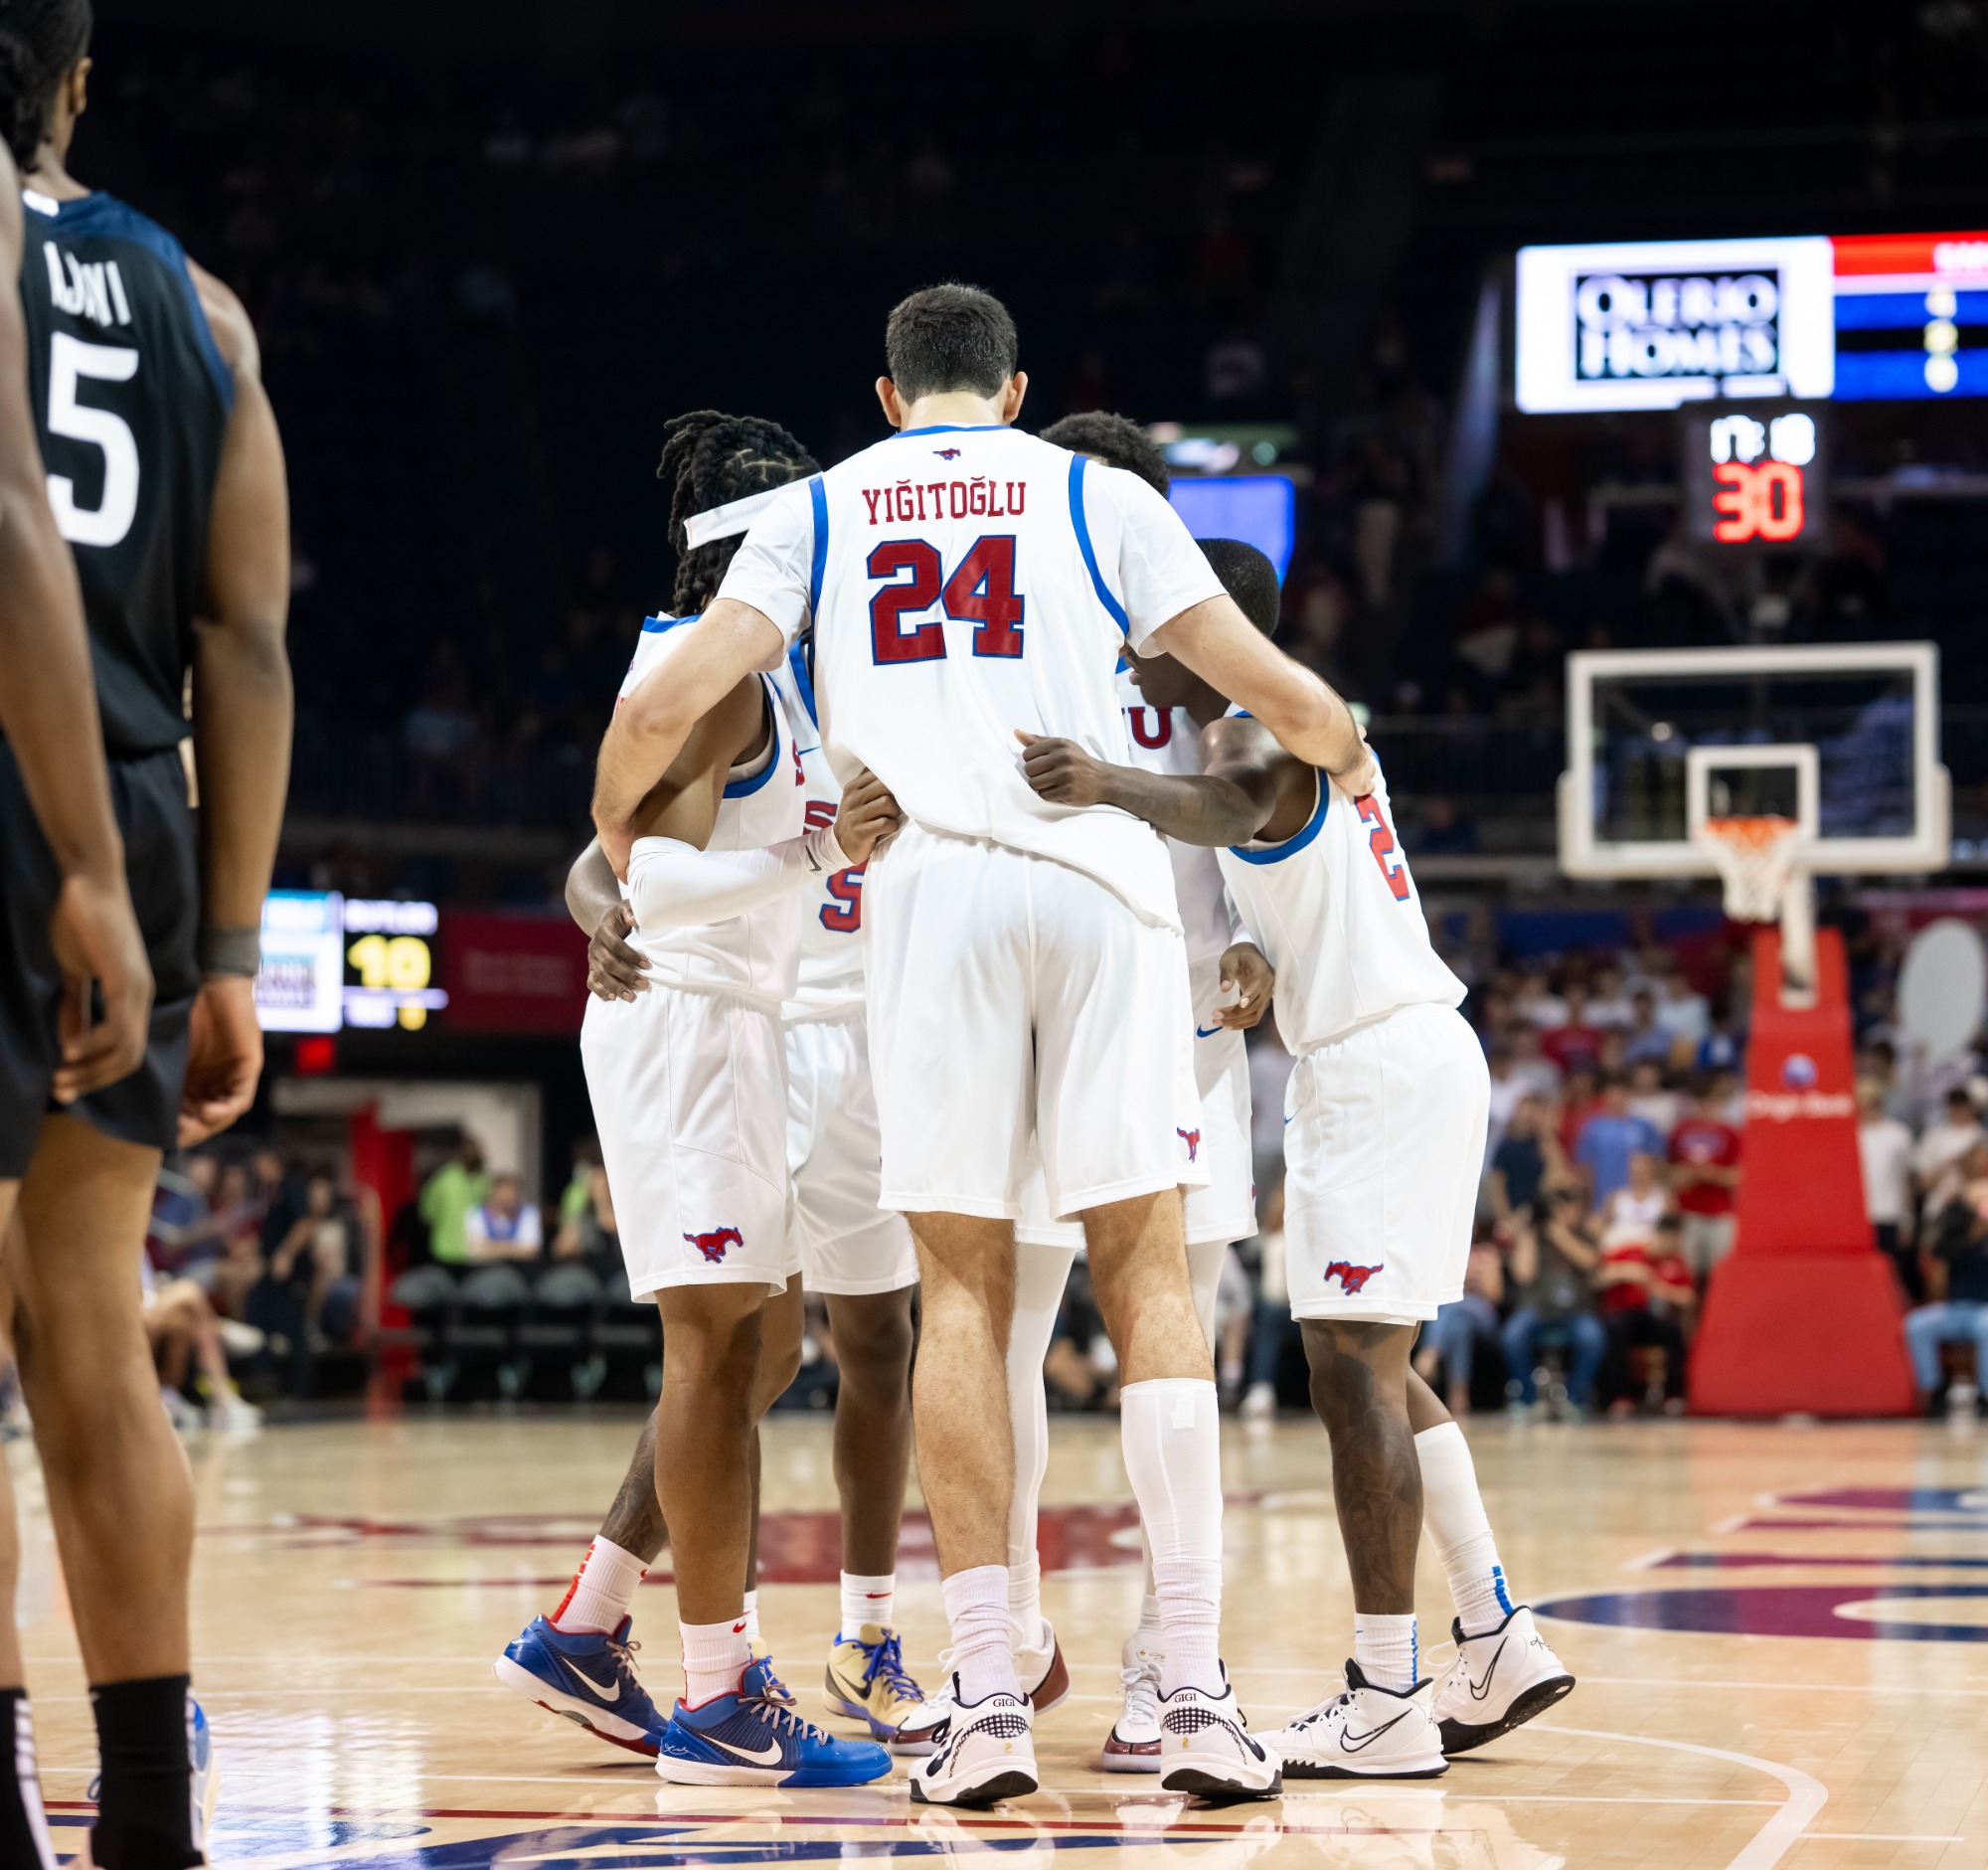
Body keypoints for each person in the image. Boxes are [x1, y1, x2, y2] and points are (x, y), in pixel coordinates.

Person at [592, 286, 1352, 1804]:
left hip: (931, 900)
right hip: (1097, 890)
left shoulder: (822, 503)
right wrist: (1329, 727)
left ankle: (986, 1698)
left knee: (959, 1286)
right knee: (1147, 1273)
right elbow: (1268, 684)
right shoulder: (1104, 493)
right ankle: (1193, 1688)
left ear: (887, 397)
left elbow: (671, 691)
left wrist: (611, 837)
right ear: (1014, 390)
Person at [1018, 550, 1574, 1776]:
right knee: (1371, 1362)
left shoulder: (1248, 732)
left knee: (1351, 1379)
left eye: (1139, 634)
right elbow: (1282, 874)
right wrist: (1257, 963)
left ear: (1190, 632)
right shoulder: (1289, 723)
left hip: (1375, 1071)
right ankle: (1488, 1628)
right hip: (1405, 1053)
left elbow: (1228, 807)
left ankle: (1385, 1693)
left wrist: (1103, 781)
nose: (1123, 655)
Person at [504, 411, 899, 1788]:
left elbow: (610, 859)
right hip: (686, 1027)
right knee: (710, 1359)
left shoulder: (746, 675)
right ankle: (721, 1692)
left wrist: (591, 889)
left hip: (739, 1025)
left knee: (767, 1349)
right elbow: (656, 882)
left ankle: (589, 1624)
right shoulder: (706, 671)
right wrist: (810, 857)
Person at [0, 11, 292, 1866]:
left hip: (34, 799)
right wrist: (239, 941)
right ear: (74, 80)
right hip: (148, 793)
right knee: (91, 1347)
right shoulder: (206, 306)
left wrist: (80, 859)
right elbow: (247, 644)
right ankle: (154, 1824)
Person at [996, 414, 1275, 1770]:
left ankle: (1168, 1664)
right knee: (1005, 1347)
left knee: (1180, 1340)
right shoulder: (999, 652)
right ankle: (1011, 1642)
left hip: (1192, 1048)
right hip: (1048, 1043)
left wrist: (1258, 935)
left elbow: (1270, 821)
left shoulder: (1205, 650)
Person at [1501, 1188, 1606, 1414]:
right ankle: (1529, 1399)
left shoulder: (1583, 1234)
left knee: (1592, 1337)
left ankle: (1576, 1399)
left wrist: (1559, 1234)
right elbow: (1522, 1274)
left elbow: (1590, 1261)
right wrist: (1529, 1232)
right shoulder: (1535, 1237)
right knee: (1512, 1336)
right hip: (1538, 1309)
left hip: (1575, 1311)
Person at [1905, 1140, 1988, 1415]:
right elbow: (1942, 1251)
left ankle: (1984, 1395)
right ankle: (1935, 1392)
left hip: (1985, 1309)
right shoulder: (1958, 1210)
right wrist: (1975, 1228)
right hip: (1958, 1306)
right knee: (1917, 1324)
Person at [1596, 1210, 1694, 1414]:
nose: (1671, 1246)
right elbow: (1598, 1278)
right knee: (1616, 1328)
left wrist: (1659, 1289)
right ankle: (1621, 1396)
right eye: (1668, 1241)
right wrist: (1626, 1271)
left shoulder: (1676, 1261)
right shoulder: (1629, 1252)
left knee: (1672, 1331)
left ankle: (1673, 1396)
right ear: (1658, 1235)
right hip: (1623, 1314)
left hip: (1652, 1317)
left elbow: (1688, 1297)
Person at [1414, 1223, 1506, 1417]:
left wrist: (1476, 1281)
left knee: (1456, 1305)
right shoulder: (1446, 1254)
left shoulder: (1487, 1253)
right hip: (1455, 1319)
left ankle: (1430, 1353)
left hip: (1483, 1318)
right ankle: (1458, 1395)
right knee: (1458, 1325)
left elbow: (1496, 1297)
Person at [1668, 1077, 1741, 1280]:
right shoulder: (1680, 1131)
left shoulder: (1730, 1133)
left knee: (1721, 1275)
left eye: (1711, 1101)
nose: (1706, 1107)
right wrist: (1685, 1176)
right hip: (1688, 1213)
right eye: (1701, 1101)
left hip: (1720, 1214)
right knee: (1685, 1276)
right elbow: (1667, 1172)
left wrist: (1713, 1174)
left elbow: (1741, 1176)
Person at [1858, 1078, 1918, 1302]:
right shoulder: (1850, 1134)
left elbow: (1907, 1181)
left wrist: (1907, 1220)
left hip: (1889, 1214)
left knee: (1892, 1275)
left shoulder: (1898, 1135)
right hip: (1858, 1217)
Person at [1574, 1074, 1664, 1213]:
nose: (1616, 1098)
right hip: (1600, 1200)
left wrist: (1651, 1197)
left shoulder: (1644, 1126)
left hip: (1635, 1203)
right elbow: (1585, 1167)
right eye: (1612, 1094)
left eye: (1620, 1094)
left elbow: (1655, 1163)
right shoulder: (1592, 1127)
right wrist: (1586, 1201)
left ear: (1628, 1095)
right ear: (1605, 1096)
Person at [418, 1133, 488, 1268]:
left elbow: (427, 1215)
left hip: (472, 1248)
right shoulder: (444, 1179)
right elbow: (427, 1214)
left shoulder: (483, 1180)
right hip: (449, 1250)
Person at [464, 1170, 544, 1262]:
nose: (510, 1197)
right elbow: (475, 1250)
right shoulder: (476, 1213)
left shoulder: (529, 1213)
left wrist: (491, 1246)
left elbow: (531, 1250)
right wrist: (515, 1247)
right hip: (485, 1271)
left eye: (514, 1193)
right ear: (495, 1192)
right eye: (505, 1192)